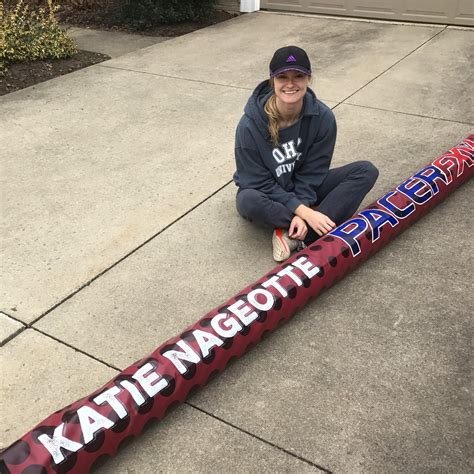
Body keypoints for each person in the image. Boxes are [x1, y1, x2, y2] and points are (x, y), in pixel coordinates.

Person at [233, 45, 379, 262]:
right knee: (247, 200)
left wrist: (301, 205)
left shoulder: (322, 118)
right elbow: (257, 181)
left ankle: (292, 232)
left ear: (308, 78)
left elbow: (313, 172)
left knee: (365, 171)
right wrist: (304, 211)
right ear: (272, 80)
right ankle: (312, 224)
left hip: (303, 186)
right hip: (268, 192)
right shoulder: (249, 126)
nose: (290, 84)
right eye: (283, 77)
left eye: (298, 76)